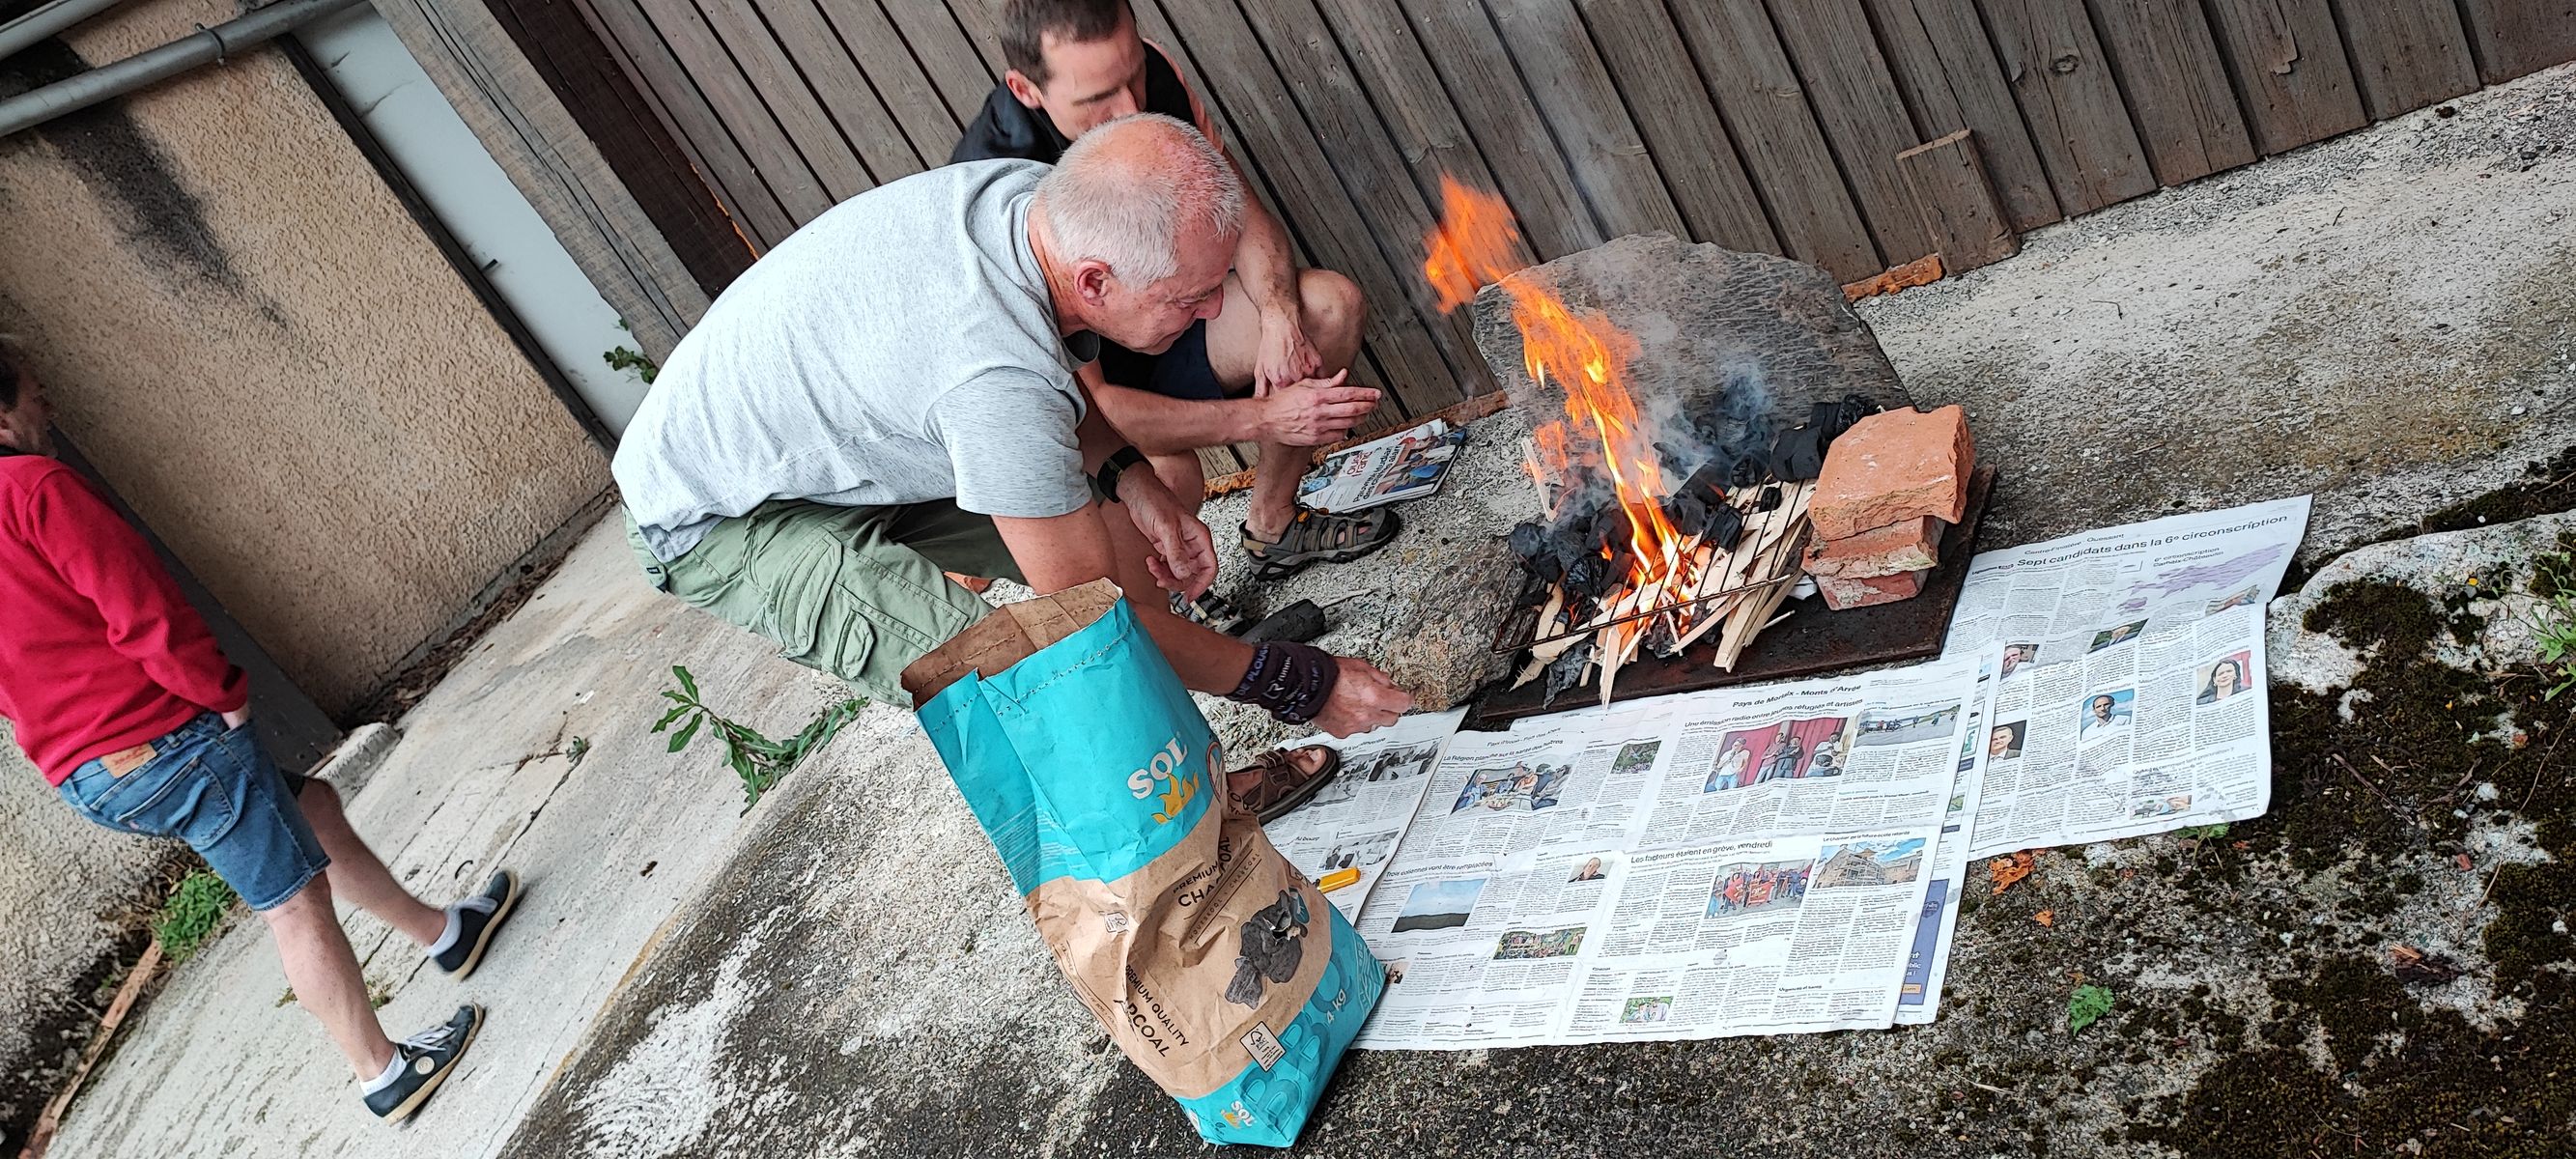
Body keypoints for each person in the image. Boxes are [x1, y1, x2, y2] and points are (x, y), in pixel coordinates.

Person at [613, 117, 1411, 822]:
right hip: (722, 513)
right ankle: (1168, 831)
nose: (1212, 311)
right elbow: (1087, 624)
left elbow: (1052, 375)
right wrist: (1294, 683)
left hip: (846, 437)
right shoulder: (995, 382)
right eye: (1191, 298)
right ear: (1094, 281)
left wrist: (1132, 481)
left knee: (1123, 543)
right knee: (1011, 673)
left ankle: (1182, 775)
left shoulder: (1035, 202)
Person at [0, 346, 519, 1122]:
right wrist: (223, 696)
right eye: (37, 395)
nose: (50, 409)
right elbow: (141, 609)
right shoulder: (34, 487)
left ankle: (446, 933)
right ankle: (382, 1072)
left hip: (90, 771)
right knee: (293, 905)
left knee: (314, 807)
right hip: (166, 742)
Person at [951, 0, 1399, 589]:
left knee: (1327, 308)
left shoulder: (1156, 73)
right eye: (1098, 98)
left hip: (1174, 320)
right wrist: (1265, 417)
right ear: (1026, 90)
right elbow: (1099, 409)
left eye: (1133, 75)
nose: (1132, 109)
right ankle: (1172, 610)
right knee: (1170, 478)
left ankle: (1273, 525)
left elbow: (1244, 216)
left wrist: (1279, 318)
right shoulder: (1001, 184)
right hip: (1081, 393)